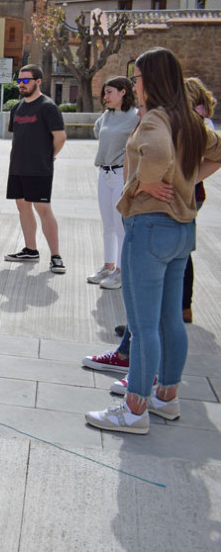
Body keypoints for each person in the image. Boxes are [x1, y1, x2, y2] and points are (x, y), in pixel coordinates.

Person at [85, 47, 221, 435]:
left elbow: (158, 152)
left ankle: (134, 409)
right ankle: (166, 397)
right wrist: (187, 180)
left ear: (152, 82)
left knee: (144, 325)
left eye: (138, 78)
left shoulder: (156, 120)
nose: (135, 85)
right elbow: (218, 149)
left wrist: (144, 182)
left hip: (150, 228)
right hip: (181, 229)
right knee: (169, 321)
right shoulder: (188, 119)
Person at [4, 64, 67, 273]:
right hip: (17, 167)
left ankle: (56, 256)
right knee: (22, 206)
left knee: (43, 209)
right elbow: (18, 137)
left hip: (39, 169)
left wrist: (50, 157)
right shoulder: (17, 108)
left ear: (38, 81)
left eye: (25, 80)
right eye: (19, 81)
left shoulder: (47, 107)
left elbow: (60, 137)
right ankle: (31, 250)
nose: (21, 85)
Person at [87, 77, 139, 290]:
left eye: (109, 92)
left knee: (120, 226)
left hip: (121, 175)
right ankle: (108, 267)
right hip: (104, 172)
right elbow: (99, 134)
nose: (105, 97)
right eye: (104, 93)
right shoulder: (106, 116)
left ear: (123, 92)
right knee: (107, 224)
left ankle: (121, 272)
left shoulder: (136, 116)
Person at [181, 77, 216, 322]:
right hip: (187, 193)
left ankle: (183, 307)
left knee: (181, 252)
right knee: (180, 251)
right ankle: (181, 307)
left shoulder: (197, 123)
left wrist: (189, 179)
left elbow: (216, 156)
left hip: (189, 195)